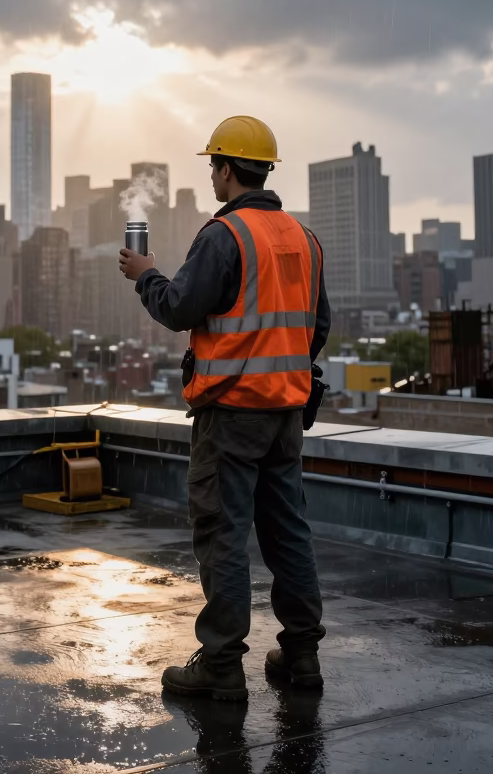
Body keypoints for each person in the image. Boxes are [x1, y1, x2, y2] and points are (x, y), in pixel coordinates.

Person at [118, 115, 331, 699]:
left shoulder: (224, 235)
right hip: (286, 414)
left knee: (223, 534)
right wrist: (278, 364)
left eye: (214, 163)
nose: (212, 173)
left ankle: (220, 666)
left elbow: (180, 308)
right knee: (288, 532)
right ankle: (302, 657)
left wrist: (146, 275)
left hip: (231, 410)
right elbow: (319, 325)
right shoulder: (302, 238)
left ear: (228, 168)